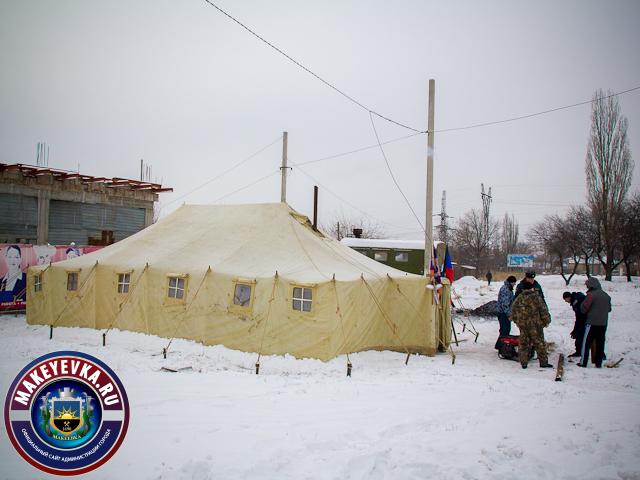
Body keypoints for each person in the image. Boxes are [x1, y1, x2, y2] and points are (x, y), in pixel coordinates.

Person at [510, 281, 553, 369]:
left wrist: (517, 322)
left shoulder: (519, 298)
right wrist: (546, 321)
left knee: (523, 344)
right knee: (539, 343)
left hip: (523, 325)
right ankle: (543, 362)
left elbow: (513, 310)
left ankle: (524, 363)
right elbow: (543, 310)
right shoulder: (536, 297)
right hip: (536, 325)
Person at [578, 277, 611, 368]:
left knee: (586, 343)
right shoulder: (606, 296)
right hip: (603, 323)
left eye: (588, 286)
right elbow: (609, 309)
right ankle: (598, 363)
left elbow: (584, 308)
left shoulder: (591, 295)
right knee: (600, 343)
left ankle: (583, 362)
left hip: (591, 323)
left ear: (591, 286)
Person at [562, 291, 587, 358]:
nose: (566, 301)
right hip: (584, 319)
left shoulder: (576, 301)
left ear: (568, 297)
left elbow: (579, 316)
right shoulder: (576, 299)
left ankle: (579, 352)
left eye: (565, 299)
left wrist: (576, 329)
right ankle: (579, 351)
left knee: (580, 335)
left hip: (585, 320)